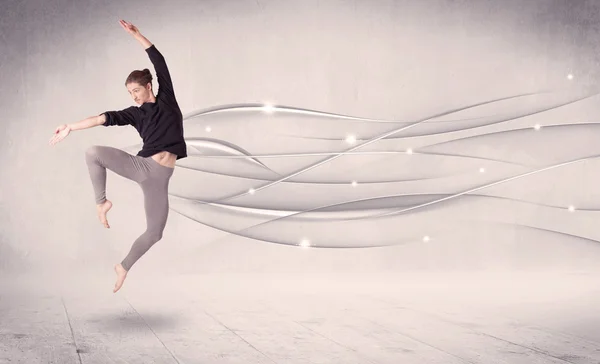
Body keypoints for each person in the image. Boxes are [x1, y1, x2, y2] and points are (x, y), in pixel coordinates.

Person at [49, 20, 187, 293]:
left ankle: (123, 266)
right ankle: (101, 203)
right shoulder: (135, 114)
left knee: (155, 233)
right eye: (129, 93)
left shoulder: (167, 98)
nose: (134, 97)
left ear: (149, 86)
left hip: (159, 179)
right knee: (93, 153)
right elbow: (103, 118)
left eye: (136, 90)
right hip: (142, 166)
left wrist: (138, 36)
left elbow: (159, 60)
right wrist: (71, 127)